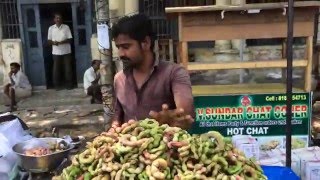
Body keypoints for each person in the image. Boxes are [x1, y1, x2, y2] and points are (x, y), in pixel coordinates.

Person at [109, 14, 195, 131]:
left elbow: (185, 114)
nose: (120, 54)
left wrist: (169, 119)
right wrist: (113, 130)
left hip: (166, 146)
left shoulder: (174, 73)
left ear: (146, 42)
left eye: (126, 47)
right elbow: (117, 119)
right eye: (118, 47)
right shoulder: (119, 79)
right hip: (131, 146)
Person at [48, 13, 73, 90]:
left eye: (59, 18)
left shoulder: (66, 27)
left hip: (66, 52)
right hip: (56, 52)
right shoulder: (51, 28)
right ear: (54, 20)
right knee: (56, 70)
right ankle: (57, 86)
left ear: (62, 19)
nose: (58, 19)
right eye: (57, 18)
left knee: (68, 69)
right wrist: (54, 43)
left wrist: (61, 42)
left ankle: (69, 85)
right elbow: (49, 41)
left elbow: (70, 39)